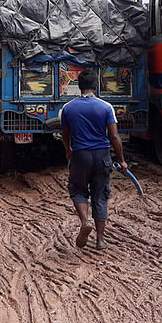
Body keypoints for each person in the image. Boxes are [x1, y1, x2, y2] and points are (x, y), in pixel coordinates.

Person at [60, 68, 128, 250]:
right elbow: (114, 136)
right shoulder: (106, 107)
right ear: (95, 87)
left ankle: (84, 221)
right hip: (102, 156)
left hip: (80, 155)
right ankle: (100, 240)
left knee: (78, 190)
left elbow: (65, 135)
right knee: (100, 195)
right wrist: (121, 160)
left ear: (79, 87)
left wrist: (68, 151)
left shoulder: (68, 108)